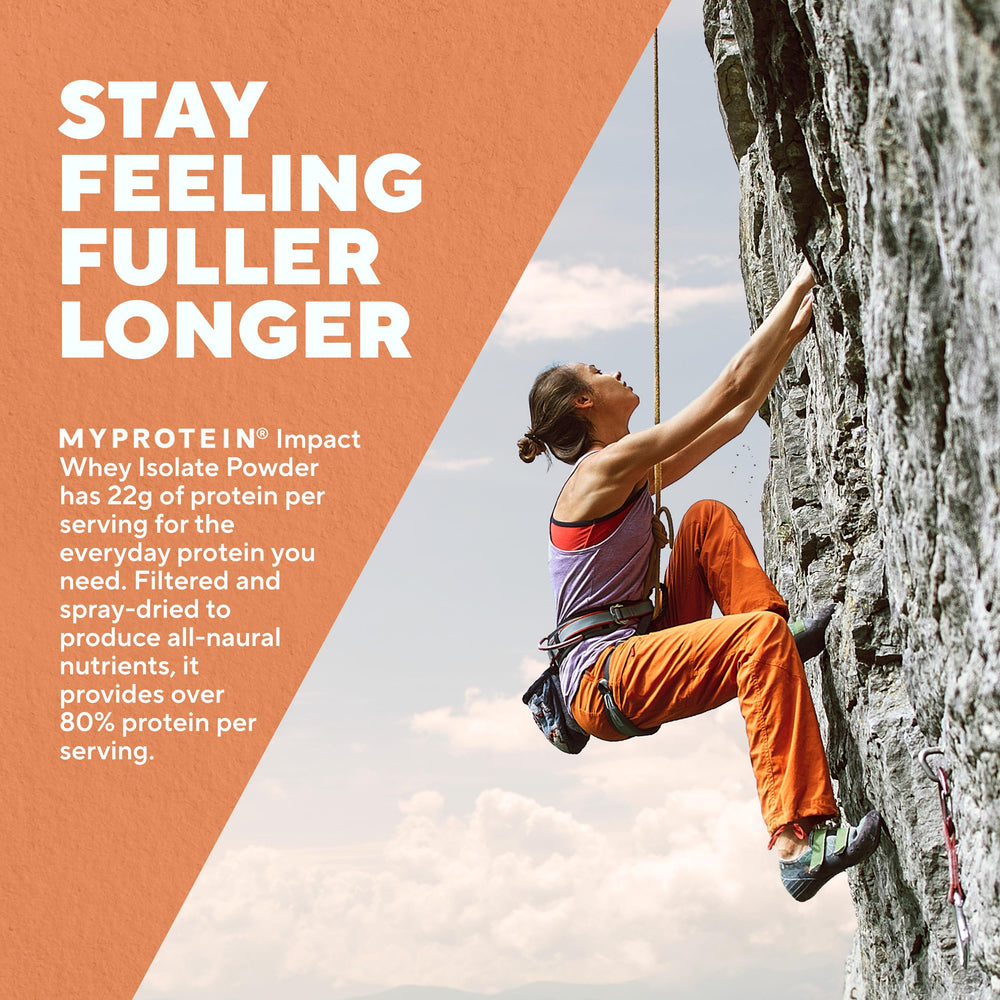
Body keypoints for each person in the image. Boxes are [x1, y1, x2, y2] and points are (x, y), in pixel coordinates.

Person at [517, 261, 881, 901]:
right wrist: (801, 282)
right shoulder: (603, 471)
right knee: (752, 645)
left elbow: (733, 420)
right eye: (599, 372)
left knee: (705, 521)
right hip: (606, 676)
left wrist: (794, 334)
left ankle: (777, 635)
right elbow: (726, 388)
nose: (615, 374)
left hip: (630, 645)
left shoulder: (623, 475)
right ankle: (796, 842)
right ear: (584, 402)